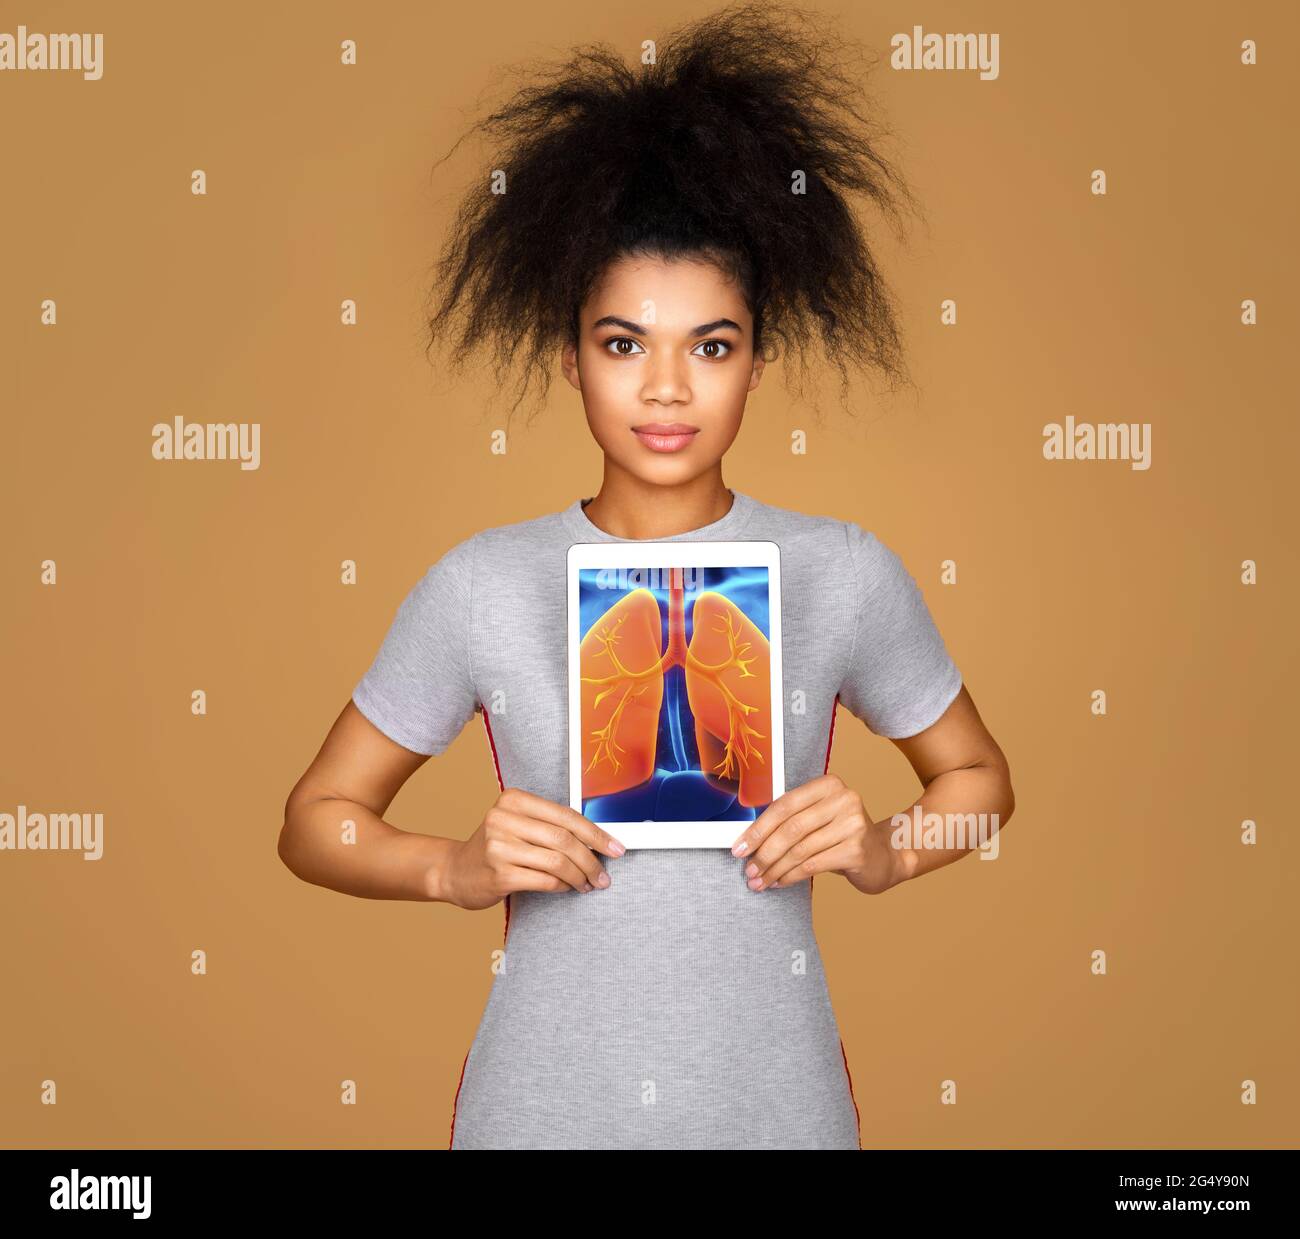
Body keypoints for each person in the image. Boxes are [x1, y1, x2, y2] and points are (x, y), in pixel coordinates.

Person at [278, 1, 1014, 1150]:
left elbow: (979, 786)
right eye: (623, 343)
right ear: (568, 354)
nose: (665, 390)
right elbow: (316, 823)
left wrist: (885, 851)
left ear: (757, 360)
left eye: (709, 346)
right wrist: (456, 871)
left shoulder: (840, 570)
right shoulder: (483, 581)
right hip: (539, 1111)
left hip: (777, 1108)